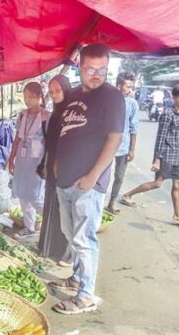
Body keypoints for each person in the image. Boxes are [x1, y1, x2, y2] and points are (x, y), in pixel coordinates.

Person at [49, 43, 125, 315]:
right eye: (90, 69)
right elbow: (63, 132)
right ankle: (78, 277)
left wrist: (93, 176)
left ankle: (86, 295)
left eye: (102, 70)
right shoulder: (72, 96)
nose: (96, 75)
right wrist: (57, 163)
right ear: (80, 67)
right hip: (65, 181)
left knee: (84, 239)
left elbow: (115, 138)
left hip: (87, 184)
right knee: (72, 235)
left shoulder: (112, 97)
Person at [120, 84, 179, 227]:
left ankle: (178, 214)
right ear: (174, 97)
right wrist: (157, 160)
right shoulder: (167, 114)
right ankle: (127, 195)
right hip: (165, 154)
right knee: (157, 184)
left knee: (178, 184)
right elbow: (161, 137)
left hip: (176, 154)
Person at [37, 74, 72, 266]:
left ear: (66, 89)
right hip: (52, 166)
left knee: (65, 210)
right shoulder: (55, 113)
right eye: (51, 92)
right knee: (52, 206)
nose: (55, 94)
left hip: (66, 168)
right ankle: (50, 247)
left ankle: (66, 254)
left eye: (58, 90)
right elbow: (49, 144)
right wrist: (44, 164)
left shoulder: (71, 113)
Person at [8, 82, 50, 237]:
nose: (28, 100)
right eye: (26, 97)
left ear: (40, 97)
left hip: (37, 161)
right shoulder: (22, 115)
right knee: (22, 194)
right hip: (22, 159)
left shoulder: (47, 116)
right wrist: (11, 158)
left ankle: (52, 220)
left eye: (32, 97)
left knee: (35, 195)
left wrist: (46, 164)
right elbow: (17, 138)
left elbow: (51, 143)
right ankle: (29, 227)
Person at [105, 73, 139, 214]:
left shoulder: (132, 104)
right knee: (101, 175)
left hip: (123, 147)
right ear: (119, 86)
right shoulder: (108, 101)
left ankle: (111, 203)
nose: (129, 90)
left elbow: (134, 128)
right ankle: (96, 200)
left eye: (131, 87)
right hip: (106, 145)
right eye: (127, 86)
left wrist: (132, 149)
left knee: (119, 176)